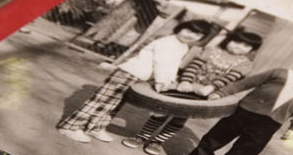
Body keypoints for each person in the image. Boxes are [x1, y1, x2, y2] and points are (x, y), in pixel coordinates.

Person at [56, 19, 213, 143]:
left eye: (197, 35)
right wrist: (161, 83)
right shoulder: (168, 42)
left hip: (139, 78)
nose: (190, 35)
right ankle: (71, 126)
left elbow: (172, 66)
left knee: (115, 104)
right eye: (188, 30)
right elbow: (161, 63)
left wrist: (170, 80)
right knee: (101, 101)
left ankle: (95, 127)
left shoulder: (183, 46)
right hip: (128, 73)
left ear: (202, 38)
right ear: (180, 28)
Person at [121, 28, 263, 155]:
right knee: (162, 111)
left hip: (205, 92)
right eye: (236, 42)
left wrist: (211, 88)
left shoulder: (245, 63)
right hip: (185, 85)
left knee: (180, 117)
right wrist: (186, 81)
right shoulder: (211, 50)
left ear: (252, 50)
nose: (239, 47)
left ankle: (157, 141)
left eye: (246, 46)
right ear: (229, 40)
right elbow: (193, 66)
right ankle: (142, 136)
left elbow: (229, 78)